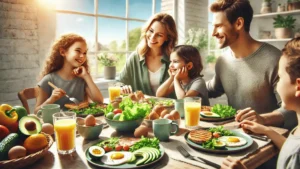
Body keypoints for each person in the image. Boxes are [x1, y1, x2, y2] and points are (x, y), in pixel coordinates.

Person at [207, 0, 297, 130]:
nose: (213, 33)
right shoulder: (222, 61)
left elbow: (294, 110)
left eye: (219, 26)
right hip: (234, 139)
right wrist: (185, 81)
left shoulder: (275, 60)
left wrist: (263, 119)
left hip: (271, 142)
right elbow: (212, 88)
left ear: (239, 23)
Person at [220, 37, 300, 169]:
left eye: (280, 78)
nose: (277, 84)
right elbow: (289, 148)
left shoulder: (297, 155)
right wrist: (266, 131)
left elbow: (293, 154)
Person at [35, 33, 103, 113]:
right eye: (78, 51)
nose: (82, 56)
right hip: (57, 123)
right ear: (63, 52)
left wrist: (86, 76)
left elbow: (99, 102)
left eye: (84, 53)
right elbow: (36, 112)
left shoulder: (82, 79)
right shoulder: (49, 80)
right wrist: (51, 99)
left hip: (78, 123)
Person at [118, 13, 178, 98]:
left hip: (169, 110)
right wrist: (122, 87)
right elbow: (119, 82)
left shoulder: (174, 60)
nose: (153, 37)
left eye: (159, 35)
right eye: (151, 31)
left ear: (167, 38)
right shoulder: (135, 57)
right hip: (142, 109)